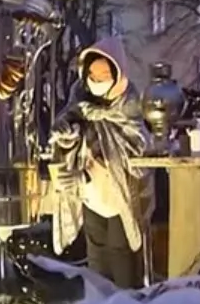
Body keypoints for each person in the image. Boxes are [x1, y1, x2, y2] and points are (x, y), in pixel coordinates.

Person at [49, 36, 148, 289]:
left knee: (122, 259)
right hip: (91, 197)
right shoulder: (79, 105)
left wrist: (92, 171)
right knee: (96, 261)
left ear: (117, 73)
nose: (97, 80)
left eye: (104, 74)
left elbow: (137, 152)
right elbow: (68, 141)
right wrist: (66, 136)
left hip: (120, 197)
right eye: (93, 74)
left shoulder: (128, 107)